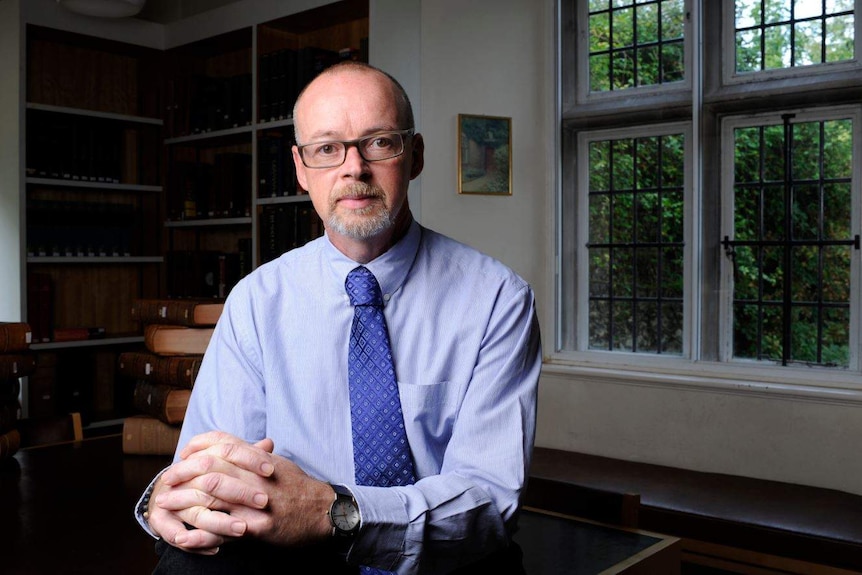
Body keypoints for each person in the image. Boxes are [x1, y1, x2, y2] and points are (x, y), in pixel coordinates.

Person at [135, 60, 542, 575]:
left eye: (378, 142)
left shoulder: (497, 300)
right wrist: (179, 499)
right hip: (292, 558)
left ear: (413, 156)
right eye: (327, 148)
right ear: (301, 169)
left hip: (446, 564)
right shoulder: (257, 301)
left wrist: (338, 513)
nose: (354, 168)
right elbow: (213, 470)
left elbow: (488, 500)